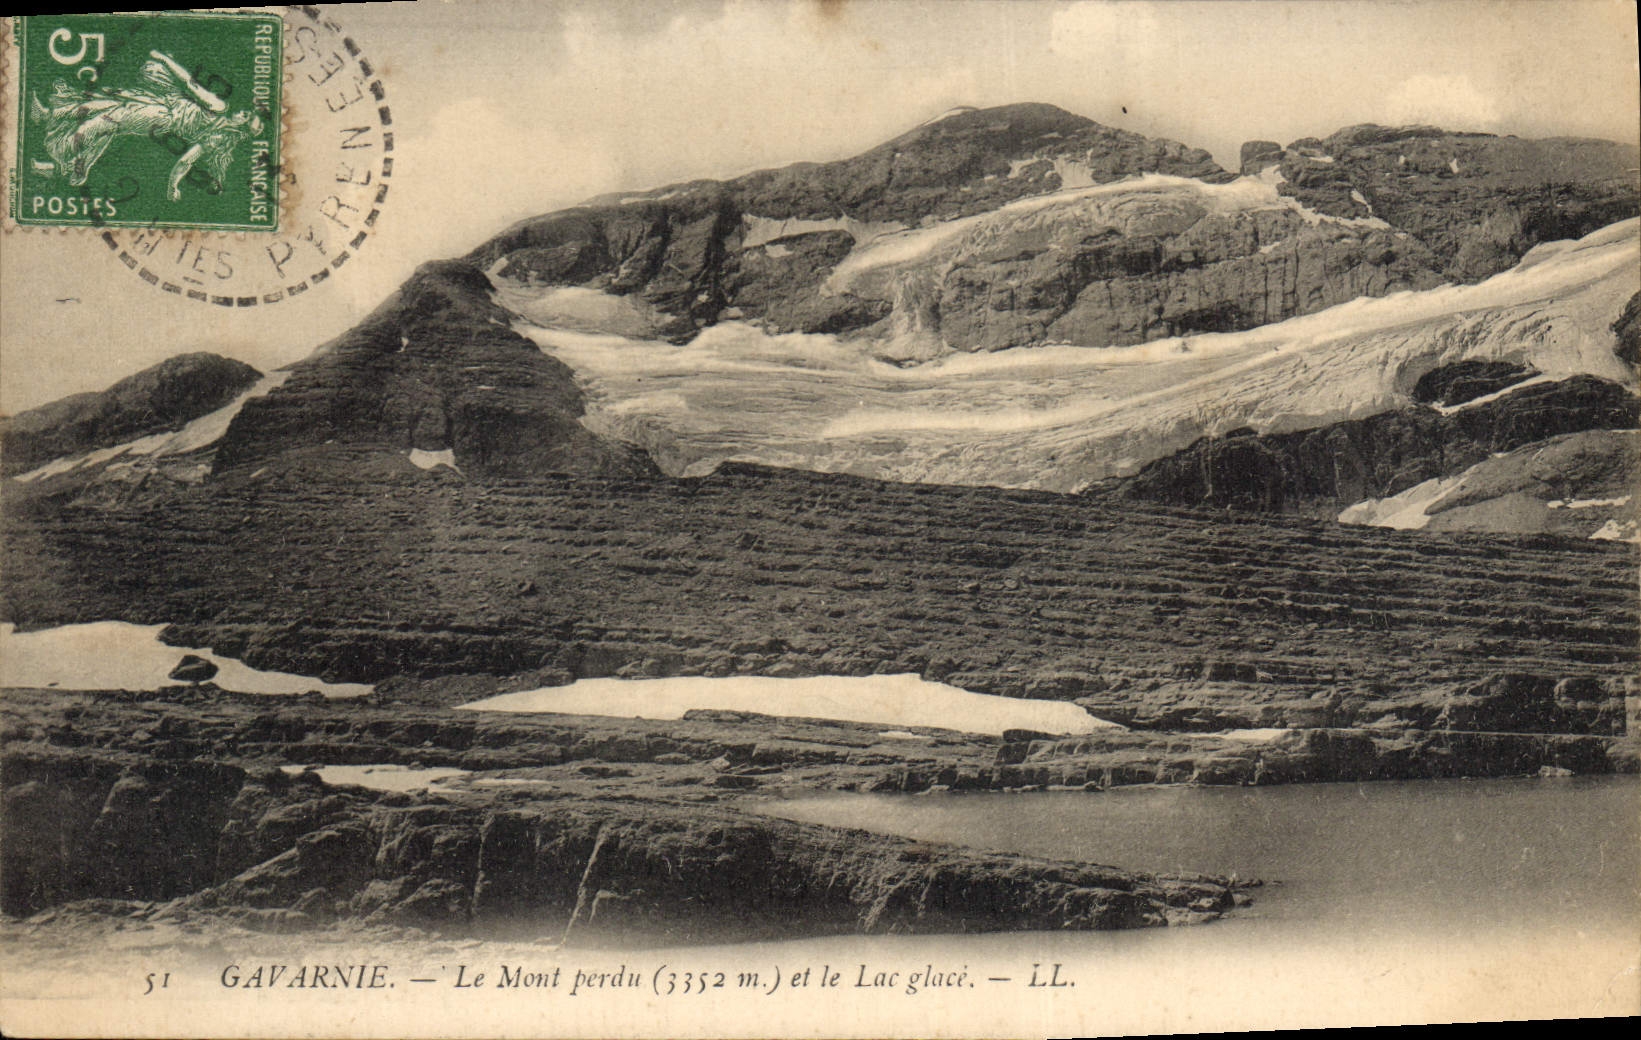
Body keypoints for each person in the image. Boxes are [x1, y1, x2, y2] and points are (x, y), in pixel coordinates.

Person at [29, 50, 261, 201]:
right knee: (105, 106)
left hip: (160, 114)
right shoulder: (217, 136)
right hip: (161, 104)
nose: (243, 111)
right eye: (247, 112)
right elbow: (185, 161)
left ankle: (58, 157)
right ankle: (51, 122)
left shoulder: (220, 109)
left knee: (103, 122)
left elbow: (191, 84)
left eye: (247, 116)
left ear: (242, 125)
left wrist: (165, 59)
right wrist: (173, 186)